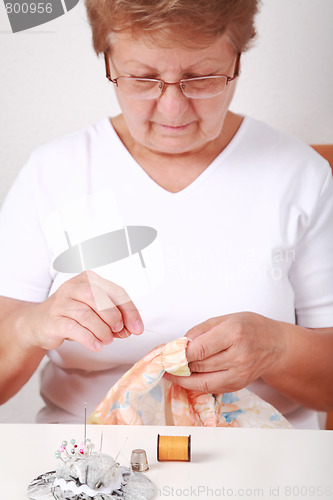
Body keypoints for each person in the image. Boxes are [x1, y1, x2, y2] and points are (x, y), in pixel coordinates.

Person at [0, 0, 332, 429]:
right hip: (84, 464)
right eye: (143, 78)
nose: (172, 110)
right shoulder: (52, 173)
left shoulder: (301, 174)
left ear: (237, 61)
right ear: (108, 61)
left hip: (261, 458)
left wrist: (280, 348)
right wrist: (32, 325)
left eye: (202, 78)